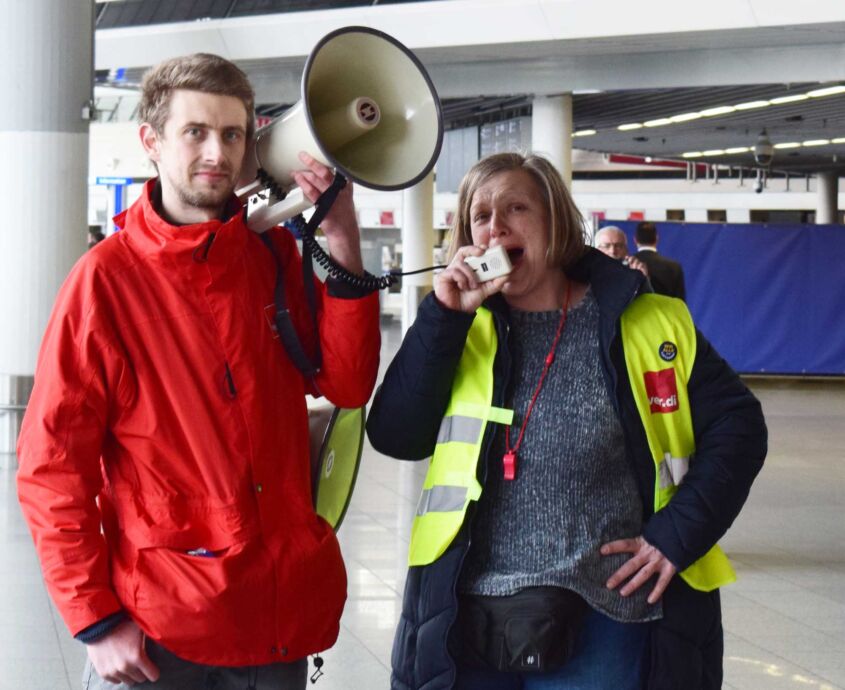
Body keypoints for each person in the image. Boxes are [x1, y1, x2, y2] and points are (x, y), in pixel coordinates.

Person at [17, 53, 380, 689]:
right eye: (196, 132)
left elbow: (346, 385)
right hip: (162, 626)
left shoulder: (267, 255)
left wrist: (344, 245)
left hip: (275, 614)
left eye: (232, 135)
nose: (217, 152)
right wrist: (95, 621)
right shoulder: (104, 284)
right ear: (151, 141)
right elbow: (52, 470)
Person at [366, 152, 766, 690]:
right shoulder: (459, 325)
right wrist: (443, 318)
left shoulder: (643, 320)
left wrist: (675, 535)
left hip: (604, 608)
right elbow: (396, 435)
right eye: (480, 216)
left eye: (515, 208)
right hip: (465, 605)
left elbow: (739, 429)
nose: (495, 226)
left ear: (555, 224)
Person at [634, 221, 686, 300]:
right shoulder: (674, 267)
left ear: (635, 240)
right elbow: (680, 302)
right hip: (664, 311)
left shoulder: (626, 265)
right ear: (657, 238)